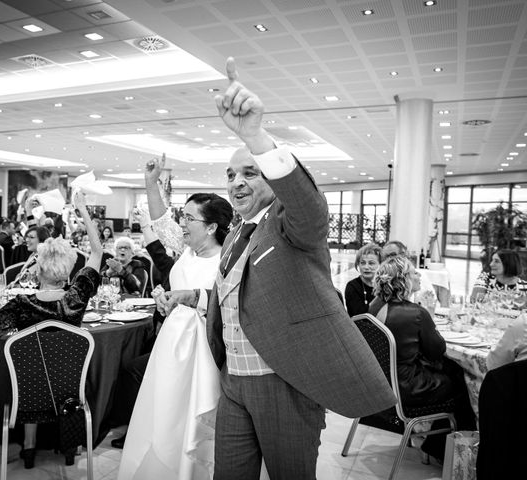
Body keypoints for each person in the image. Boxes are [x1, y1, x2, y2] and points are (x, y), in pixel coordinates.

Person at [158, 57, 395, 480]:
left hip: (284, 382)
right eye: (231, 174)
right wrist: (195, 295)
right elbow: (242, 296)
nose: (237, 182)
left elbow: (310, 207)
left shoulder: (290, 225)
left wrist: (254, 136)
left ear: (269, 175)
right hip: (233, 382)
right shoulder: (233, 234)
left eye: (250, 172)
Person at [0, 191, 103, 469]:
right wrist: (83, 210)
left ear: (38, 271)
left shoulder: (19, 304)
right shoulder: (77, 296)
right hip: (68, 389)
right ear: (69, 270)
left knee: (33, 372)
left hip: (28, 391)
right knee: (54, 371)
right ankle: (69, 445)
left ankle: (28, 447)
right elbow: (97, 250)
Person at [117, 158, 233, 479]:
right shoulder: (186, 250)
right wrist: (150, 182)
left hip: (202, 348)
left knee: (192, 411)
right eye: (183, 216)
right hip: (171, 341)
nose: (182, 223)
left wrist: (190, 298)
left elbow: (227, 307)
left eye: (190, 218)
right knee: (165, 410)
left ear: (211, 227)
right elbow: (161, 219)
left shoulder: (226, 261)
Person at [369, 255, 476, 460]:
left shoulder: (375, 305)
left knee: (450, 373)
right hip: (408, 388)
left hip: (382, 382)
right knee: (460, 379)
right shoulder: (416, 313)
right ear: (403, 279)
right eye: (414, 272)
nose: (419, 275)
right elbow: (437, 350)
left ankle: (438, 445)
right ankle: (454, 454)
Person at [344, 243, 382, 317]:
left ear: (380, 265)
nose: (366, 267)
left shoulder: (384, 285)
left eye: (371, 263)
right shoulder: (352, 286)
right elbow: (359, 316)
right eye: (362, 263)